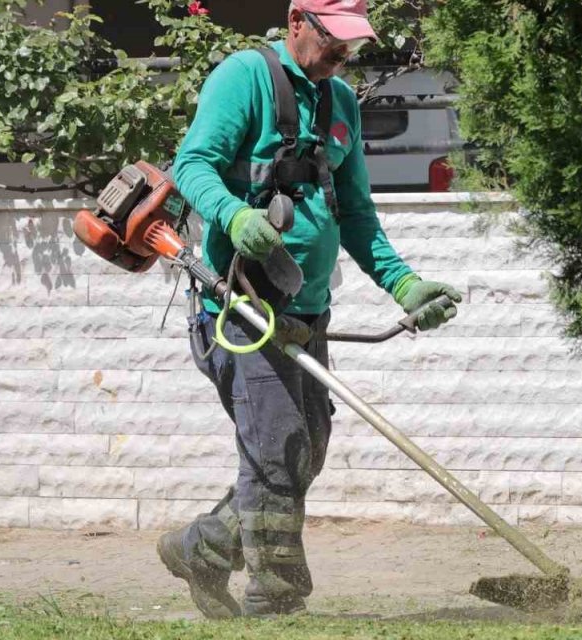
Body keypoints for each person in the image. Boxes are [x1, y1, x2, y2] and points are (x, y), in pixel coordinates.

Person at [155, 0, 461, 618]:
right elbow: (190, 166)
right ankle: (277, 604)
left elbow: (355, 215)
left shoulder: (340, 101)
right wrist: (234, 214)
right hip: (238, 306)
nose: (345, 52)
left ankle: (204, 547)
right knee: (277, 449)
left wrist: (404, 286)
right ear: (298, 21)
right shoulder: (244, 77)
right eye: (335, 38)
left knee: (304, 450)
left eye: (353, 41)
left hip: (307, 311)